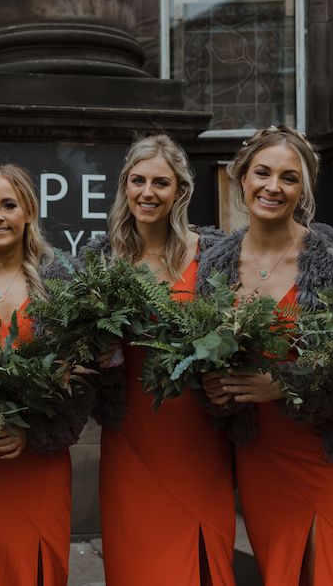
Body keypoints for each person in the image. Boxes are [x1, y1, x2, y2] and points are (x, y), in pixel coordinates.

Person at [201, 125, 333, 585]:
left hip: (330, 453)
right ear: (242, 177)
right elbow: (204, 353)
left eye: (288, 177)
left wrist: (285, 384)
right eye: (262, 172)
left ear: (303, 189)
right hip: (263, 455)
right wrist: (215, 387)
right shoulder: (215, 264)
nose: (272, 187)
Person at [86, 134, 236, 586]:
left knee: (203, 559)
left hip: (197, 432)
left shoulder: (213, 255)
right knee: (138, 563)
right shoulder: (102, 262)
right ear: (124, 186)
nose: (147, 193)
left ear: (180, 191)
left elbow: (237, 335)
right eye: (138, 181)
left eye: (160, 183)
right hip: (132, 431)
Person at [0, 164, 94, 586]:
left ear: (29, 211)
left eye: (9, 205)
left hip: (37, 462)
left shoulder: (62, 282)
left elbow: (83, 376)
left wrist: (33, 431)